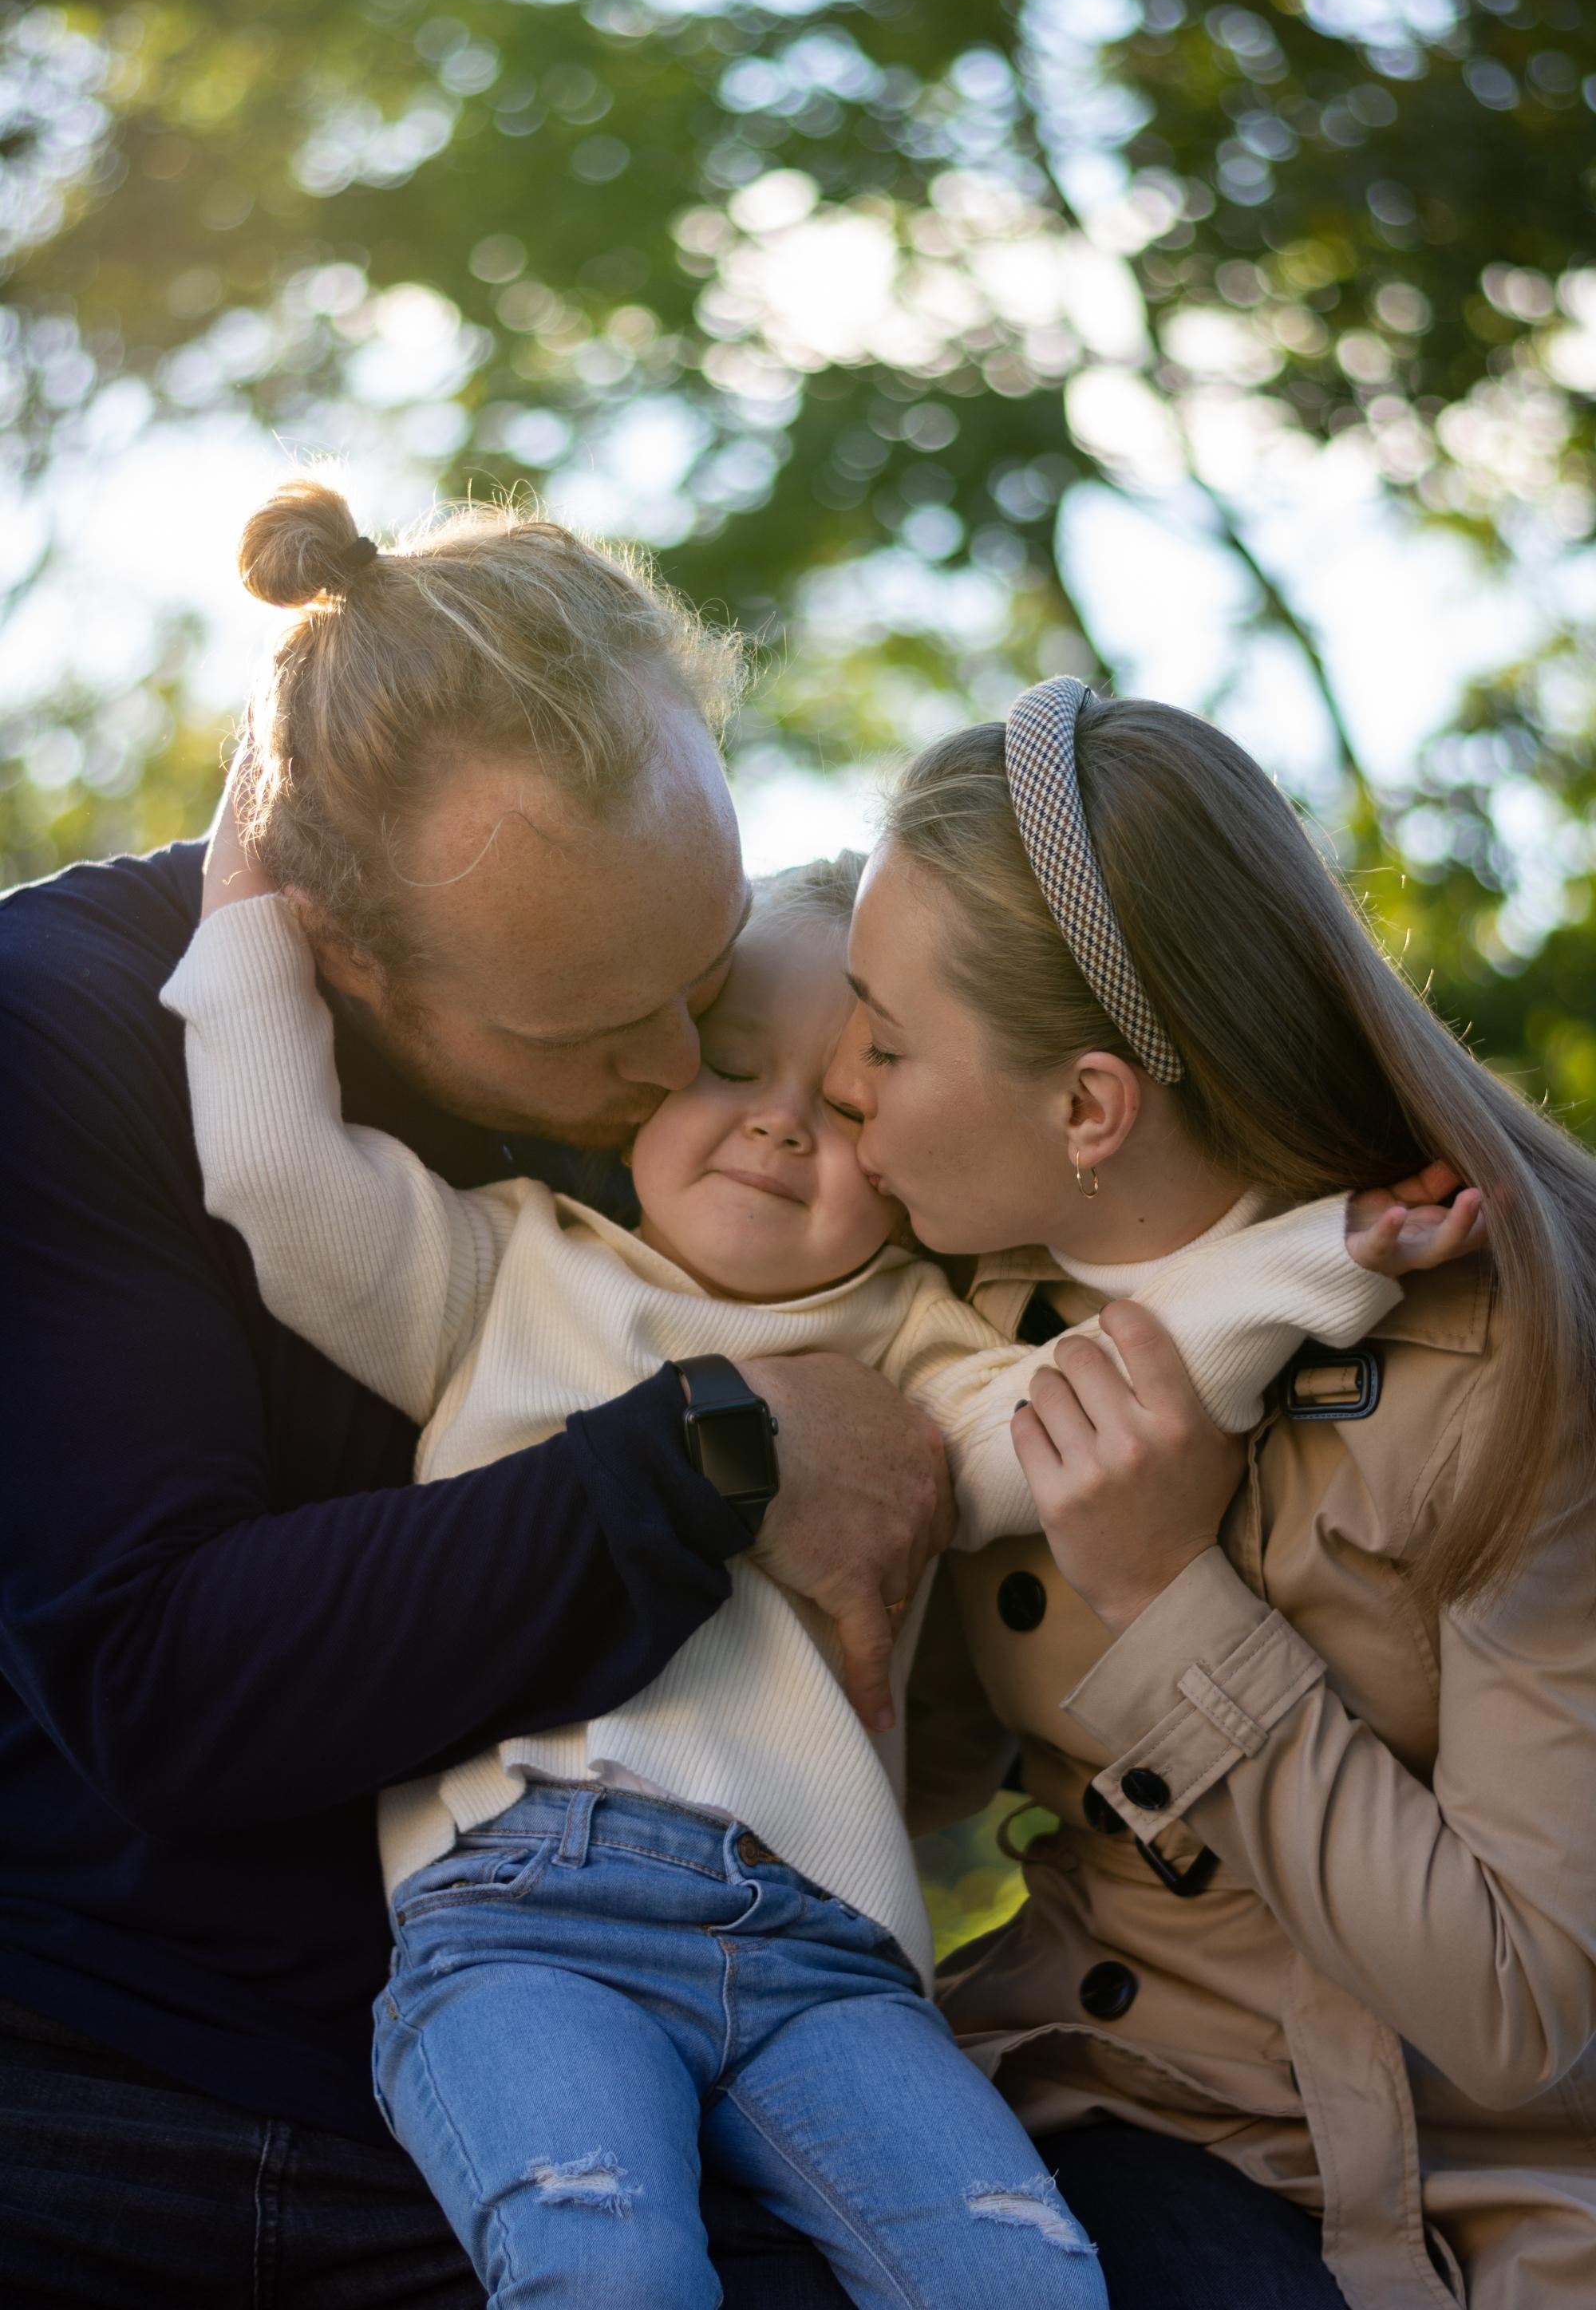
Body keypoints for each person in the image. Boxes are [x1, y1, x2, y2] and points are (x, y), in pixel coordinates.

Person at [164, 660, 1451, 2308]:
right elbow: (277, 1173)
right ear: (642, 1075)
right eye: (728, 1062)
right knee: (605, 2266)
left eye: (844, 1103)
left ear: (904, 1166)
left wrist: (1320, 1261)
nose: (777, 1127)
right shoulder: (497, 1270)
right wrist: (251, 880)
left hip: (821, 1954)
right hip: (526, 1916)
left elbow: (1091, 1405)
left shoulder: (914, 1347)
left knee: (1027, 2282)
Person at [0, 482, 954, 2307]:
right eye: (587, 1033)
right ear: (333, 942)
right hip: (96, 2090)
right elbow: (159, 1673)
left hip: (609, 2062)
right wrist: (721, 1450)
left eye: (700, 978)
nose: (671, 1068)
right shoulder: (52, 1032)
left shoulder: (696, 1073)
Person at [825, 677, 1596, 2310]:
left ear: (1088, 1107)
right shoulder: (956, 1313)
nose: (842, 1084)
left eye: (886, 1046)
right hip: (1075, 2096)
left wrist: (1170, 1594)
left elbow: (1522, 2006)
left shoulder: (1509, 1371)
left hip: (1436, 2197)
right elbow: (911, 1778)